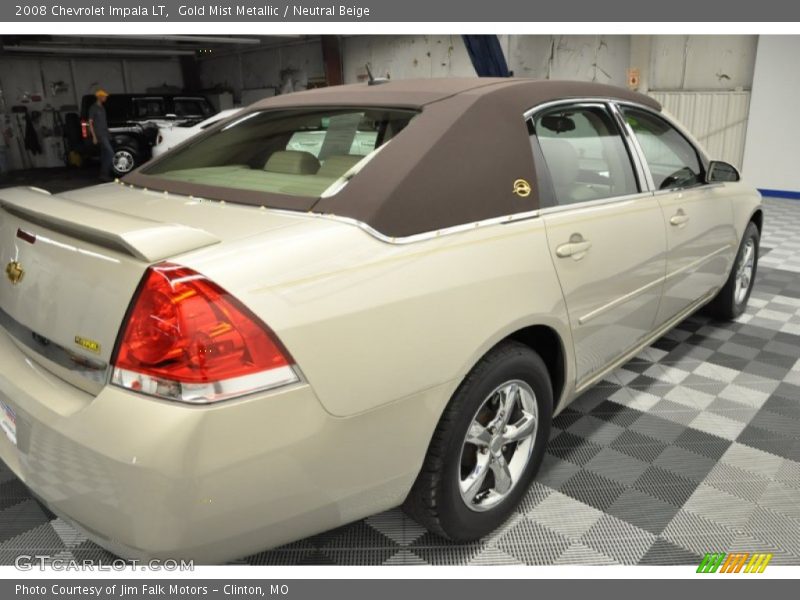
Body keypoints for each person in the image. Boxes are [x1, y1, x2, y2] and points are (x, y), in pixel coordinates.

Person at [88, 89, 113, 181]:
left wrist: (108, 132)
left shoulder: (102, 108)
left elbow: (103, 122)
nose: (106, 98)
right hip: (100, 134)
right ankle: (105, 173)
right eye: (104, 96)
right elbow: (90, 123)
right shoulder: (93, 108)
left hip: (105, 133)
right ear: (99, 97)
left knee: (104, 154)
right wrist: (94, 136)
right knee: (110, 153)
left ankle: (103, 174)